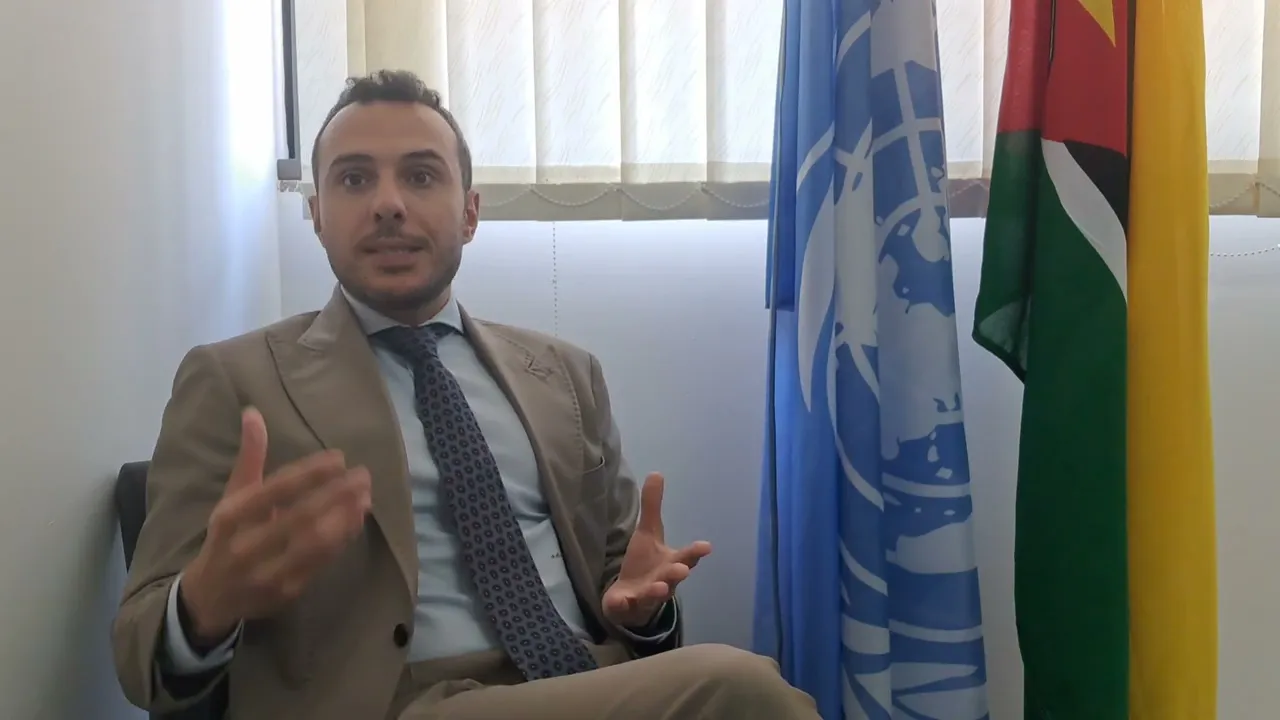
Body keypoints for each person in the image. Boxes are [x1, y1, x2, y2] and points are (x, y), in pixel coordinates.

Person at [111, 70, 819, 720]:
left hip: (583, 680)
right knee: (741, 687)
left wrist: (646, 616)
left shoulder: (567, 375)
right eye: (354, 179)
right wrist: (202, 605)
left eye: (421, 176)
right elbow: (139, 655)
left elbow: (624, 586)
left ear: (471, 213)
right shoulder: (235, 380)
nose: (388, 205)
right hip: (393, 703)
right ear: (318, 214)